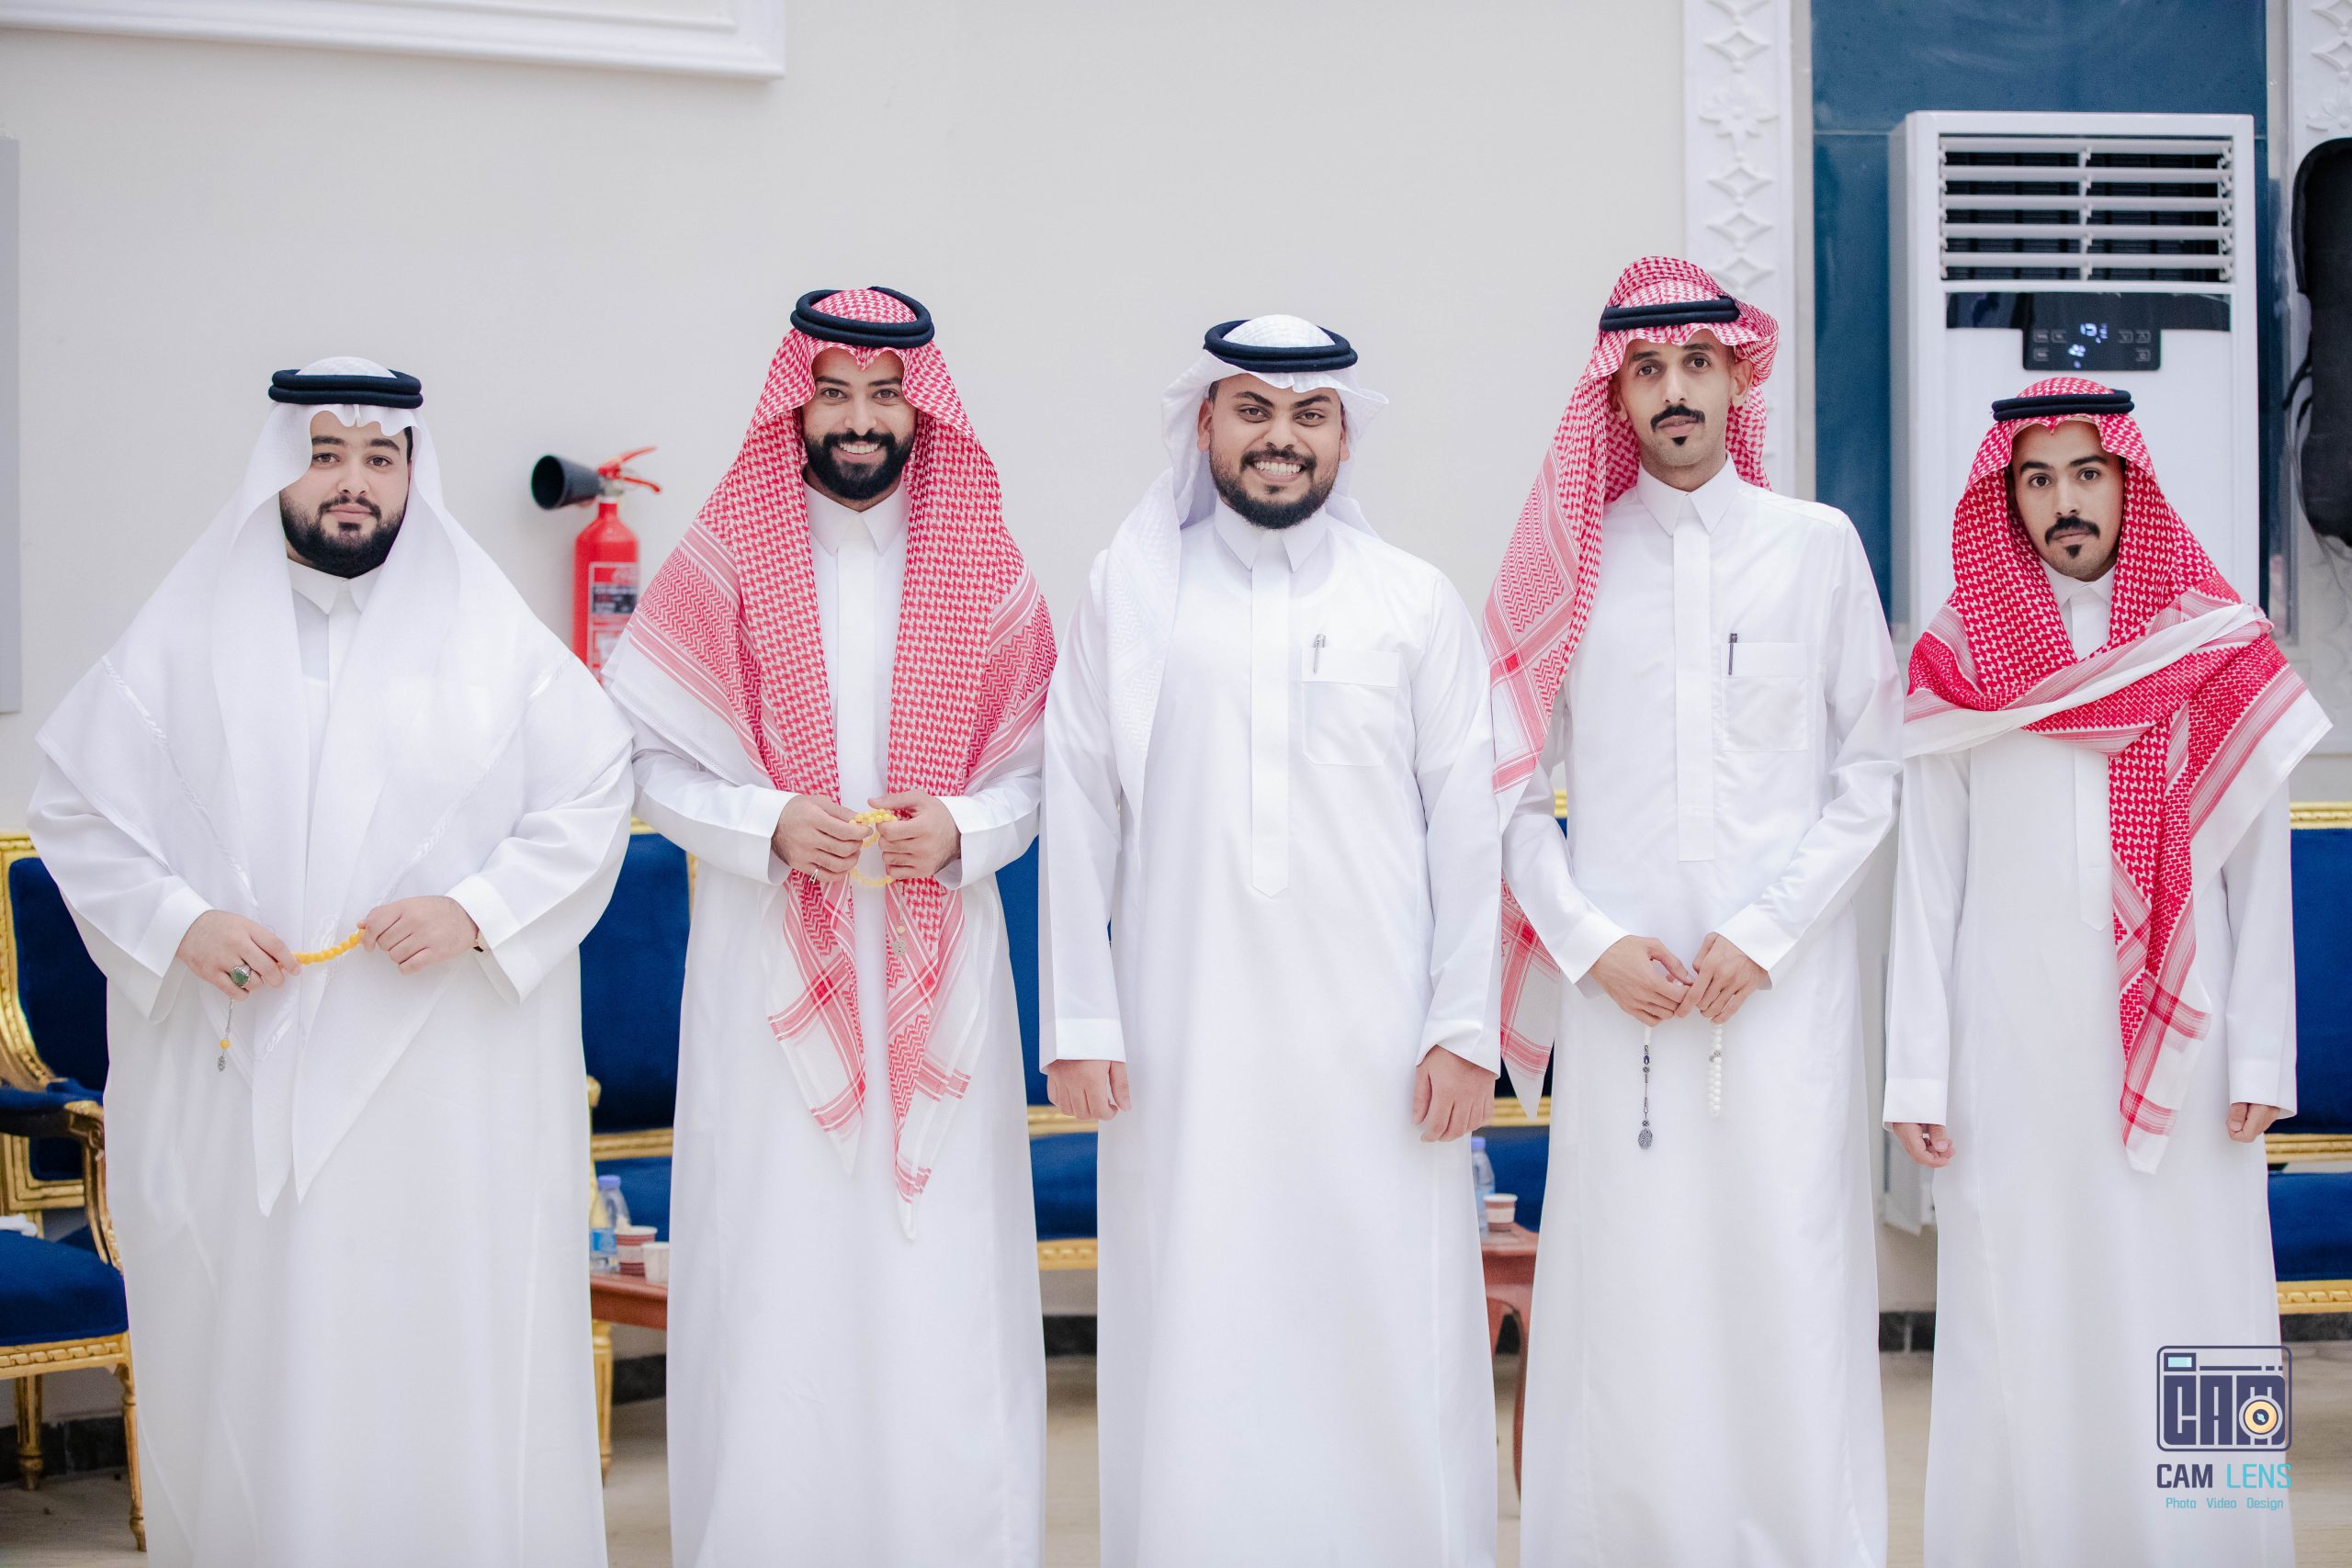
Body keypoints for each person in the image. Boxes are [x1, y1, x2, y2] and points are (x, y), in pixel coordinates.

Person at [28, 358, 634, 1567]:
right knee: (266, 1365)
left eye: (379, 458)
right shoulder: (186, 636)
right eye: (324, 455)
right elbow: (77, 807)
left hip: (440, 1097)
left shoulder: (490, 639)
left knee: (434, 1355)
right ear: (280, 469)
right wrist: (179, 924)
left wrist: (475, 910)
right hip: (242, 1077)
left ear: (412, 472)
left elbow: (593, 795)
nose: (352, 483)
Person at [1039, 314, 1501, 1568]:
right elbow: (1076, 806)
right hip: (1184, 1044)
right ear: (1206, 425)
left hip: (1380, 1053)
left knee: (1381, 1324)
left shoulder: (1412, 601)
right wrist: (1081, 1020)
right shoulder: (1134, 591)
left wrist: (1467, 1030)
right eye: (1253, 410)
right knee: (1201, 1319)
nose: (1281, 439)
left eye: (1309, 415)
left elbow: (1471, 830)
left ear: (1346, 435)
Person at [604, 288, 1056, 1567]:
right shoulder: (726, 558)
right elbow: (649, 764)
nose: (861, 419)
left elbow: (1039, 776)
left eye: (885, 394)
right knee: (778, 1264)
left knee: (939, 1271)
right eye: (837, 393)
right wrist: (764, 824)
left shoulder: (988, 566)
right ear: (797, 406)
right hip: (766, 968)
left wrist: (961, 829)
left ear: (922, 409)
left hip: (940, 961)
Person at [1486, 257, 1897, 1566]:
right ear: (1616, 398)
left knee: (1786, 1266)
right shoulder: (1572, 564)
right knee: (1633, 1282)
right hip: (1626, 1002)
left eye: (1697, 365)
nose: (1674, 392)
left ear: (1738, 378)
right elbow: (1503, 789)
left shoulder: (1816, 548)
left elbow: (1873, 773)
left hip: (1782, 998)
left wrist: (1766, 937)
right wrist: (1590, 943)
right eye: (1648, 370)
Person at [1886, 378, 2327, 1567]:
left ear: (2130, 481)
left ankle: (2216, 1547)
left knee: (2203, 1303)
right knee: (2024, 1310)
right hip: (2012, 1052)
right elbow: (1928, 881)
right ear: (2007, 496)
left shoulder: (2216, 644)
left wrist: (2263, 1052)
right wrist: (1918, 1073)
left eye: (2088, 474)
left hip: (2189, 1047)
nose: (2064, 501)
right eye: (2037, 479)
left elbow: (2261, 870)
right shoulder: (1959, 657)